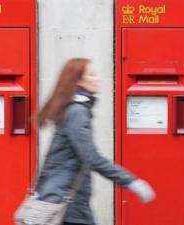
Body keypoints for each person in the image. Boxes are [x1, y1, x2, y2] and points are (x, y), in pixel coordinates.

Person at [34, 58, 155, 225]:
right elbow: (92, 157)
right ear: (78, 81)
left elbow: (52, 159)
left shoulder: (71, 109)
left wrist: (40, 190)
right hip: (69, 202)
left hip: (65, 199)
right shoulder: (77, 112)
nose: (97, 79)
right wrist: (131, 181)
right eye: (92, 75)